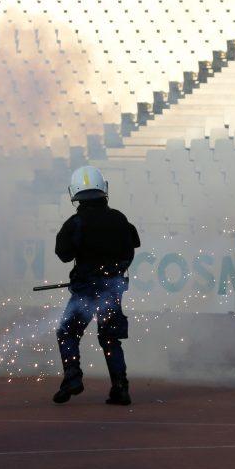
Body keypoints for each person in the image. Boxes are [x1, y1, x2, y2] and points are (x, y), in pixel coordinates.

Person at [51, 166, 140, 406]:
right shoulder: (120, 219)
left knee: (67, 332)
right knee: (110, 338)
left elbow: (64, 255)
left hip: (86, 291)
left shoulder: (75, 222)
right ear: (104, 190)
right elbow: (130, 251)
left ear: (75, 193)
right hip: (112, 289)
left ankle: (72, 377)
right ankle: (120, 388)